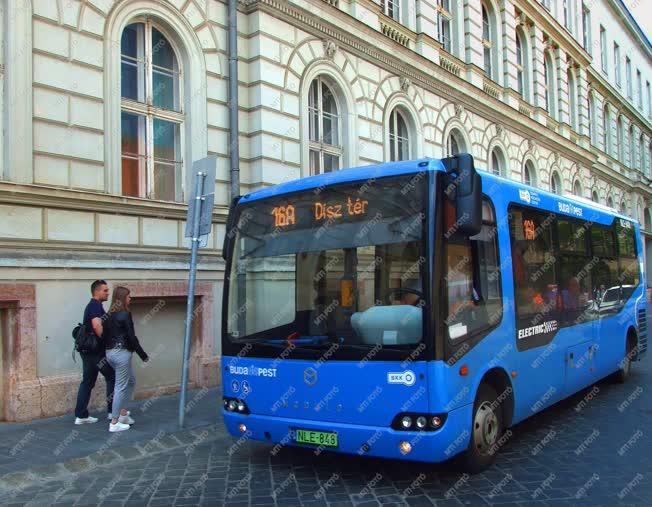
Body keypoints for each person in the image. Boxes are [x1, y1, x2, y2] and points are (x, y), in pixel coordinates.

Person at [103, 286, 149, 432]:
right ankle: (114, 422)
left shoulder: (109, 315)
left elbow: (104, 336)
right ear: (123, 298)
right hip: (121, 353)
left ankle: (122, 413)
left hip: (110, 353)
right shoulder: (124, 314)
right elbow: (131, 337)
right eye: (128, 296)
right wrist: (143, 355)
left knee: (131, 381)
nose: (130, 299)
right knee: (120, 387)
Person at [74, 280, 116, 425]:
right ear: (97, 291)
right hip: (96, 352)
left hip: (88, 352)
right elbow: (97, 326)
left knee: (87, 382)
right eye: (105, 290)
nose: (107, 292)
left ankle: (81, 415)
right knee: (112, 376)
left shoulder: (93, 306)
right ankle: (112, 412)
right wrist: (108, 341)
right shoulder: (95, 306)